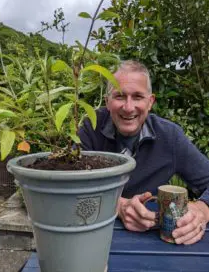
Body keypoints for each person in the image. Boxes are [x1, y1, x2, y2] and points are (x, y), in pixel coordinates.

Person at [79, 60, 209, 245]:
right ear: (107, 102)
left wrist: (202, 210)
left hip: (154, 242)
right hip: (91, 237)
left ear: (150, 102)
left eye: (138, 97)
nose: (129, 107)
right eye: (120, 96)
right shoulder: (90, 128)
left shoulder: (170, 137)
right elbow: (69, 185)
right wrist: (119, 205)